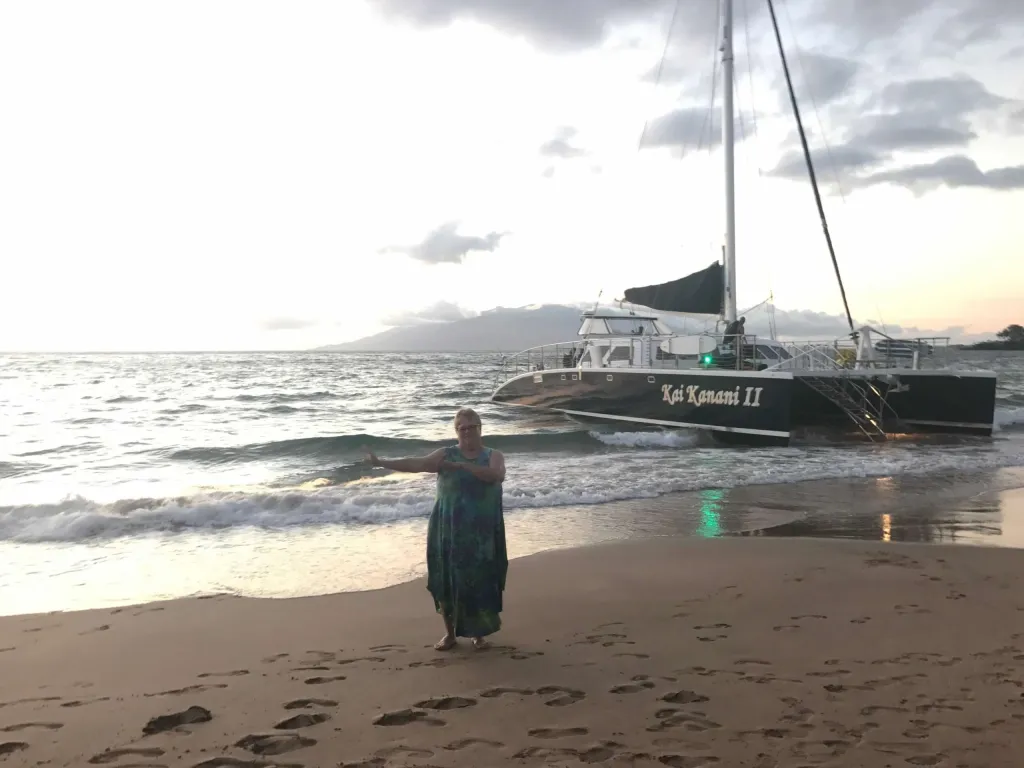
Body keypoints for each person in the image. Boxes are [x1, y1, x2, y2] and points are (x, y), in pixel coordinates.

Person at [364, 408, 507, 651]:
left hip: (481, 531)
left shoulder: (493, 455)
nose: (467, 431)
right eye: (462, 427)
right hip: (447, 527)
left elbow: (496, 475)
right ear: (456, 431)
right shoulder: (446, 455)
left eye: (472, 426)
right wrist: (381, 463)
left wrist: (461, 467)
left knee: (480, 579)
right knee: (445, 578)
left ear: (480, 429)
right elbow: (417, 463)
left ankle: (478, 634)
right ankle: (450, 634)